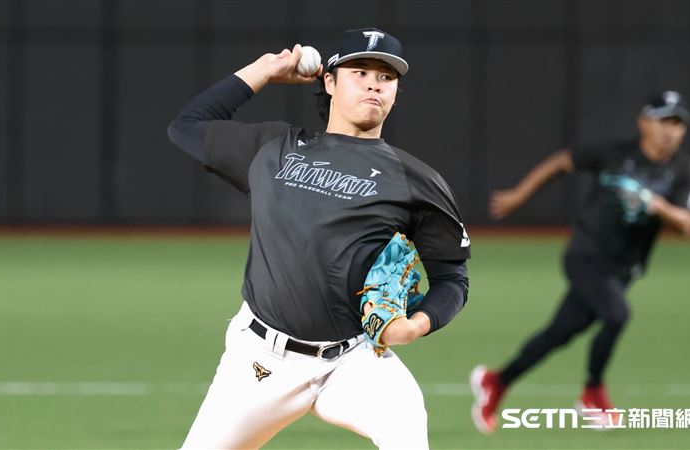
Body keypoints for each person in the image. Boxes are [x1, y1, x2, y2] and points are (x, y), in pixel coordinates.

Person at [168, 27, 471, 449]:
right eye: (359, 72)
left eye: (386, 77)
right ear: (329, 81)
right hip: (261, 360)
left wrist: (415, 326)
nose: (373, 84)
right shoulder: (273, 149)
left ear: (395, 93)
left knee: (406, 425)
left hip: (354, 358)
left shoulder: (416, 180)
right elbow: (187, 127)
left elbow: (451, 277)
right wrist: (265, 69)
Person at [470, 91, 690, 434]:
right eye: (665, 121)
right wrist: (519, 195)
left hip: (623, 270)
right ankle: (593, 392)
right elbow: (561, 162)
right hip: (586, 255)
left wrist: (659, 206)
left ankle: (496, 381)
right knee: (617, 315)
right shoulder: (614, 153)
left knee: (559, 333)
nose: (672, 131)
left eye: (678, 124)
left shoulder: (683, 170)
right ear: (644, 122)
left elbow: (687, 225)